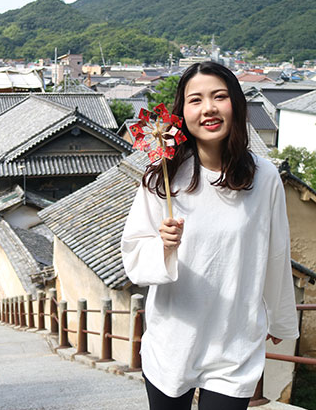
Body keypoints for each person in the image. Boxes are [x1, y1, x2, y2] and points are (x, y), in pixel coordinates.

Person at [121, 61, 299, 410]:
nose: (209, 109)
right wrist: (164, 247)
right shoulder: (163, 178)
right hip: (173, 339)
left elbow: (277, 251)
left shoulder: (264, 177)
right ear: (181, 112)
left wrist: (280, 317)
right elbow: (134, 250)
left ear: (236, 103)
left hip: (234, 343)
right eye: (196, 100)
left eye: (219, 97)